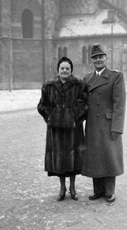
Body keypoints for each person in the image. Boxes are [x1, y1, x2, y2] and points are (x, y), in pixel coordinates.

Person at [37, 57, 88, 201]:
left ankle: (72, 187)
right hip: (56, 129)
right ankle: (62, 188)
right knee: (59, 159)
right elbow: (42, 106)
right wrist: (52, 117)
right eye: (62, 68)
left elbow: (84, 105)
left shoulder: (79, 85)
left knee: (73, 159)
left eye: (67, 68)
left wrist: (73, 118)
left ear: (71, 70)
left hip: (73, 128)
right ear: (58, 70)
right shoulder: (49, 86)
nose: (64, 71)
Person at [82, 44, 126, 203]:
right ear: (92, 60)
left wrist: (117, 127)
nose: (98, 60)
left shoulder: (116, 76)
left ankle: (109, 191)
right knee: (95, 157)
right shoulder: (87, 78)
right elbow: (82, 101)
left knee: (109, 157)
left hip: (108, 125)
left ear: (106, 58)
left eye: (101, 57)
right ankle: (98, 190)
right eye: (95, 58)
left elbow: (119, 105)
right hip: (93, 124)